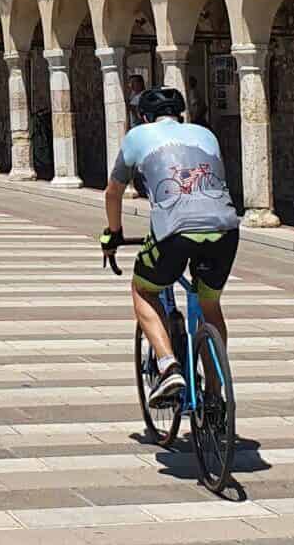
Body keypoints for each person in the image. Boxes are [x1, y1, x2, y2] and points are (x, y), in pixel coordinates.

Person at [100, 84, 239, 409]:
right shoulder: (206, 134)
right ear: (180, 115)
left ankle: (168, 366)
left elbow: (113, 193)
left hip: (175, 230)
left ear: (144, 116)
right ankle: (215, 396)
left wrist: (113, 233)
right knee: (210, 306)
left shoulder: (137, 136)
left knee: (142, 290)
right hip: (225, 228)